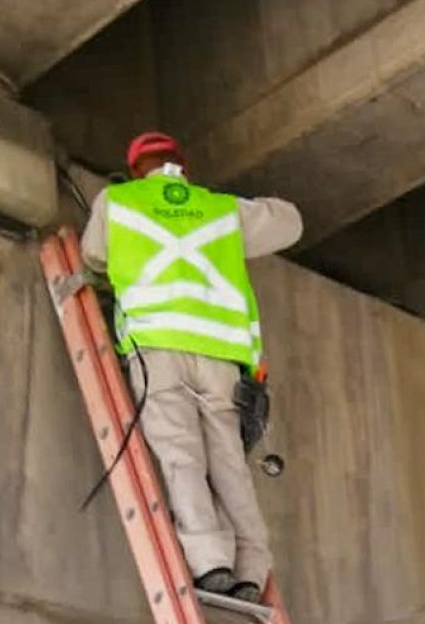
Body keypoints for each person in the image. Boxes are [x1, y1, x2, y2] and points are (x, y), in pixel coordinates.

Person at [80, 132, 302, 603]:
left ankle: (210, 563)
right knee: (228, 464)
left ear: (135, 167)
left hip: (157, 350)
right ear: (182, 165)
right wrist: (218, 208)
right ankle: (251, 568)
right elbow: (290, 223)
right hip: (219, 358)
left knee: (183, 458)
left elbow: (93, 256)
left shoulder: (118, 200)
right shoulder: (219, 210)